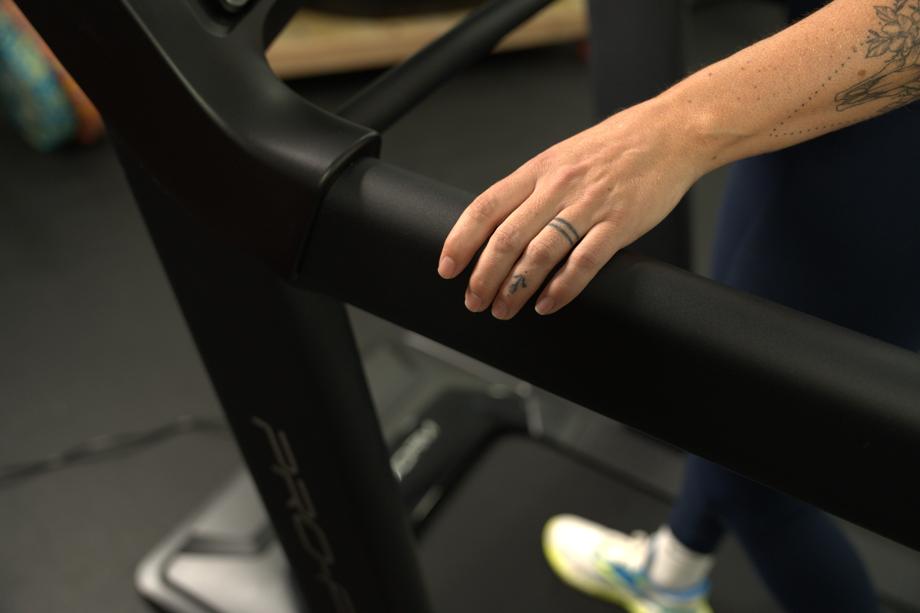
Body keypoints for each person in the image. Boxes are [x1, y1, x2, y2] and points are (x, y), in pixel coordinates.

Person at [437, 0, 920, 611]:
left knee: (756, 478)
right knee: (721, 392)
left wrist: (675, 128)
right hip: (806, 70)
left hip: (892, 152)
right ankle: (673, 571)